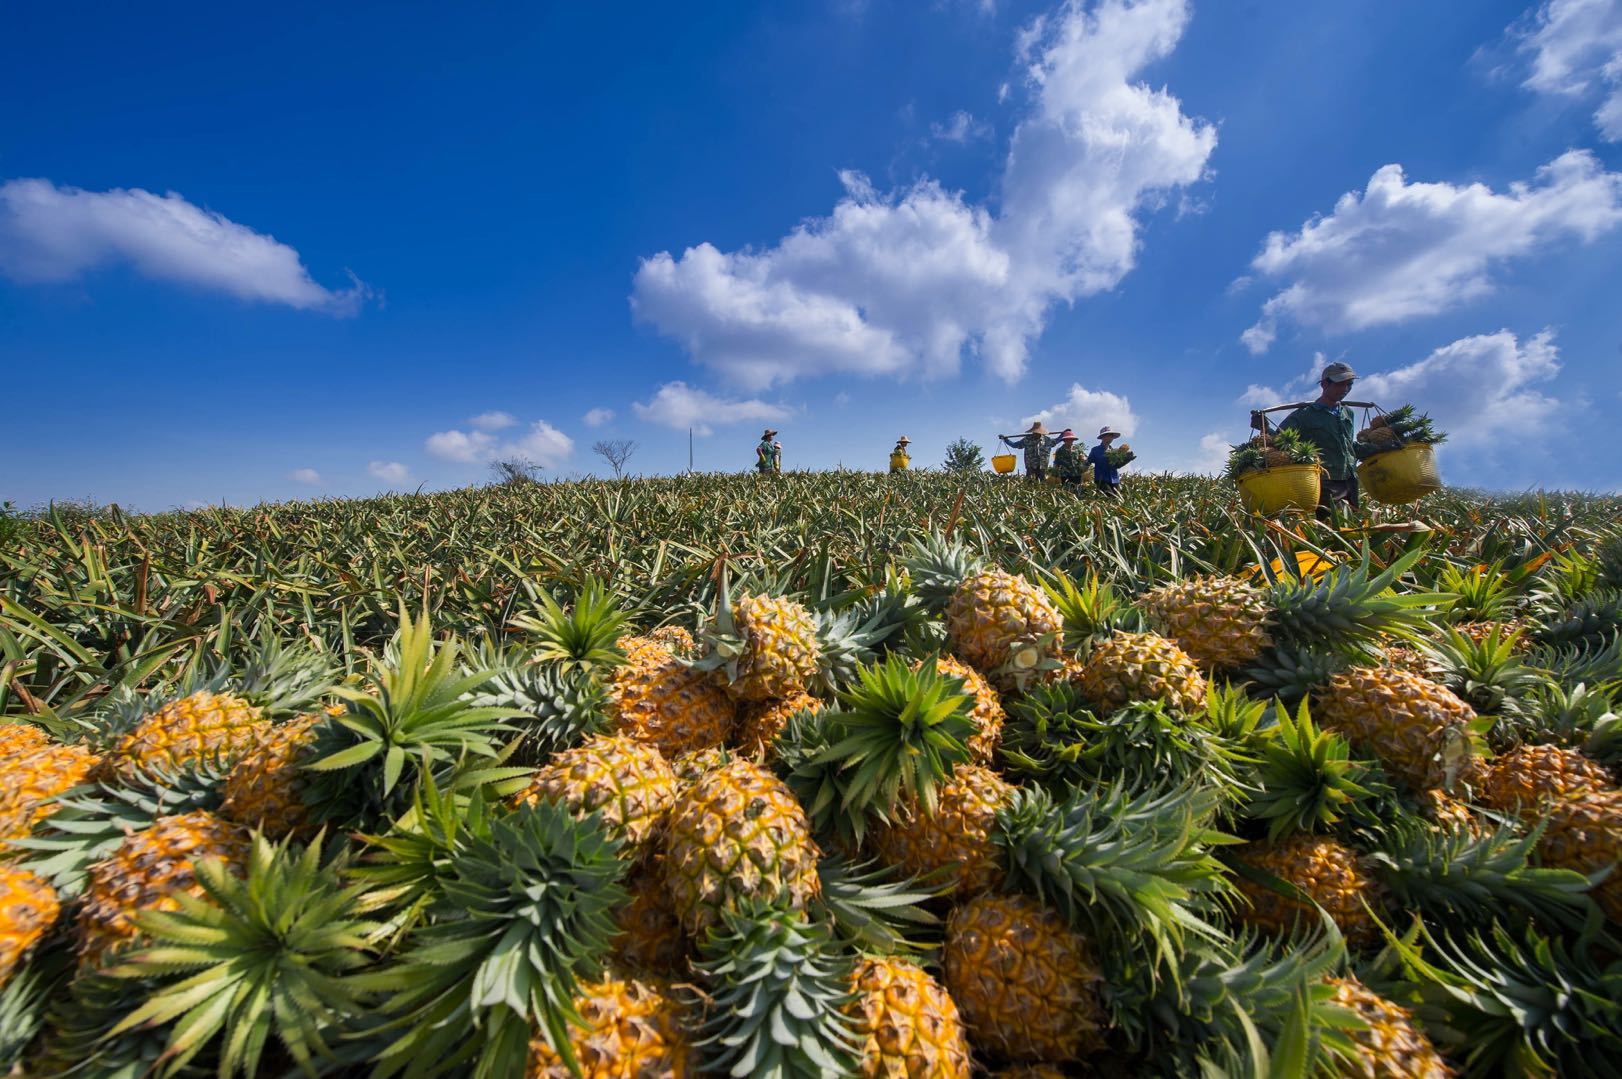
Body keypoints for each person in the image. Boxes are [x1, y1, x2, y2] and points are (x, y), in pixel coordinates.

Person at [1279, 362, 1359, 520]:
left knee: (1352, 527)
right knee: (1329, 527)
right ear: (1324, 384)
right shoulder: (1304, 415)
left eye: (1349, 384)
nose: (1345, 389)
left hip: (1350, 480)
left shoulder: (1348, 413)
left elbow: (1350, 446)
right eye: (1340, 384)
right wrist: (1263, 427)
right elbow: (1279, 440)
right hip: (1325, 481)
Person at [1087, 426, 1124, 496]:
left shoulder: (1115, 451)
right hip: (1102, 479)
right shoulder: (1095, 450)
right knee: (1109, 499)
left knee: (1117, 500)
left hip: (1114, 479)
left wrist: (1126, 458)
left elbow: (1118, 465)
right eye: (1108, 436)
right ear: (1102, 437)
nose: (1110, 438)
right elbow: (1088, 462)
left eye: (1111, 436)